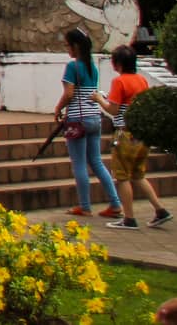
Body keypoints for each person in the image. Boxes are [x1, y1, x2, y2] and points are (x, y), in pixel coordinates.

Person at [94, 44, 174, 230]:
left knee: (122, 177)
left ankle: (129, 218)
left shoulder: (119, 81)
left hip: (124, 133)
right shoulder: (141, 80)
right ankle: (160, 209)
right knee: (138, 174)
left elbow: (113, 110)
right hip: (141, 134)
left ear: (118, 64)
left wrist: (99, 99)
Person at [53, 27, 122, 218]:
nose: (67, 49)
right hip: (94, 117)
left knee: (79, 164)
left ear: (75, 46)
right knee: (97, 161)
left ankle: (84, 205)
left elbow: (69, 94)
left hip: (77, 119)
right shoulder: (91, 66)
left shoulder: (73, 66)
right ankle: (115, 203)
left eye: (67, 45)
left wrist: (58, 108)